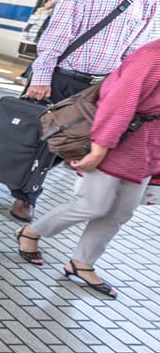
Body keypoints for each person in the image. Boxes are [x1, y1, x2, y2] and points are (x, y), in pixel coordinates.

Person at [12, 0, 160, 222]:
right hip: (63, 78)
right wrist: (40, 78)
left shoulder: (149, 2)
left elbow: (137, 53)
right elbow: (53, 40)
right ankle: (24, 197)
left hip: (103, 87)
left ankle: (29, 187)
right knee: (42, 142)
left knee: (72, 142)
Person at [14, 39, 160, 299]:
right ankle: (32, 231)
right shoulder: (152, 56)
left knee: (120, 212)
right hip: (120, 138)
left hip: (147, 146)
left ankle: (82, 263)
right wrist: (100, 147)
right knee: (93, 205)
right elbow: (120, 100)